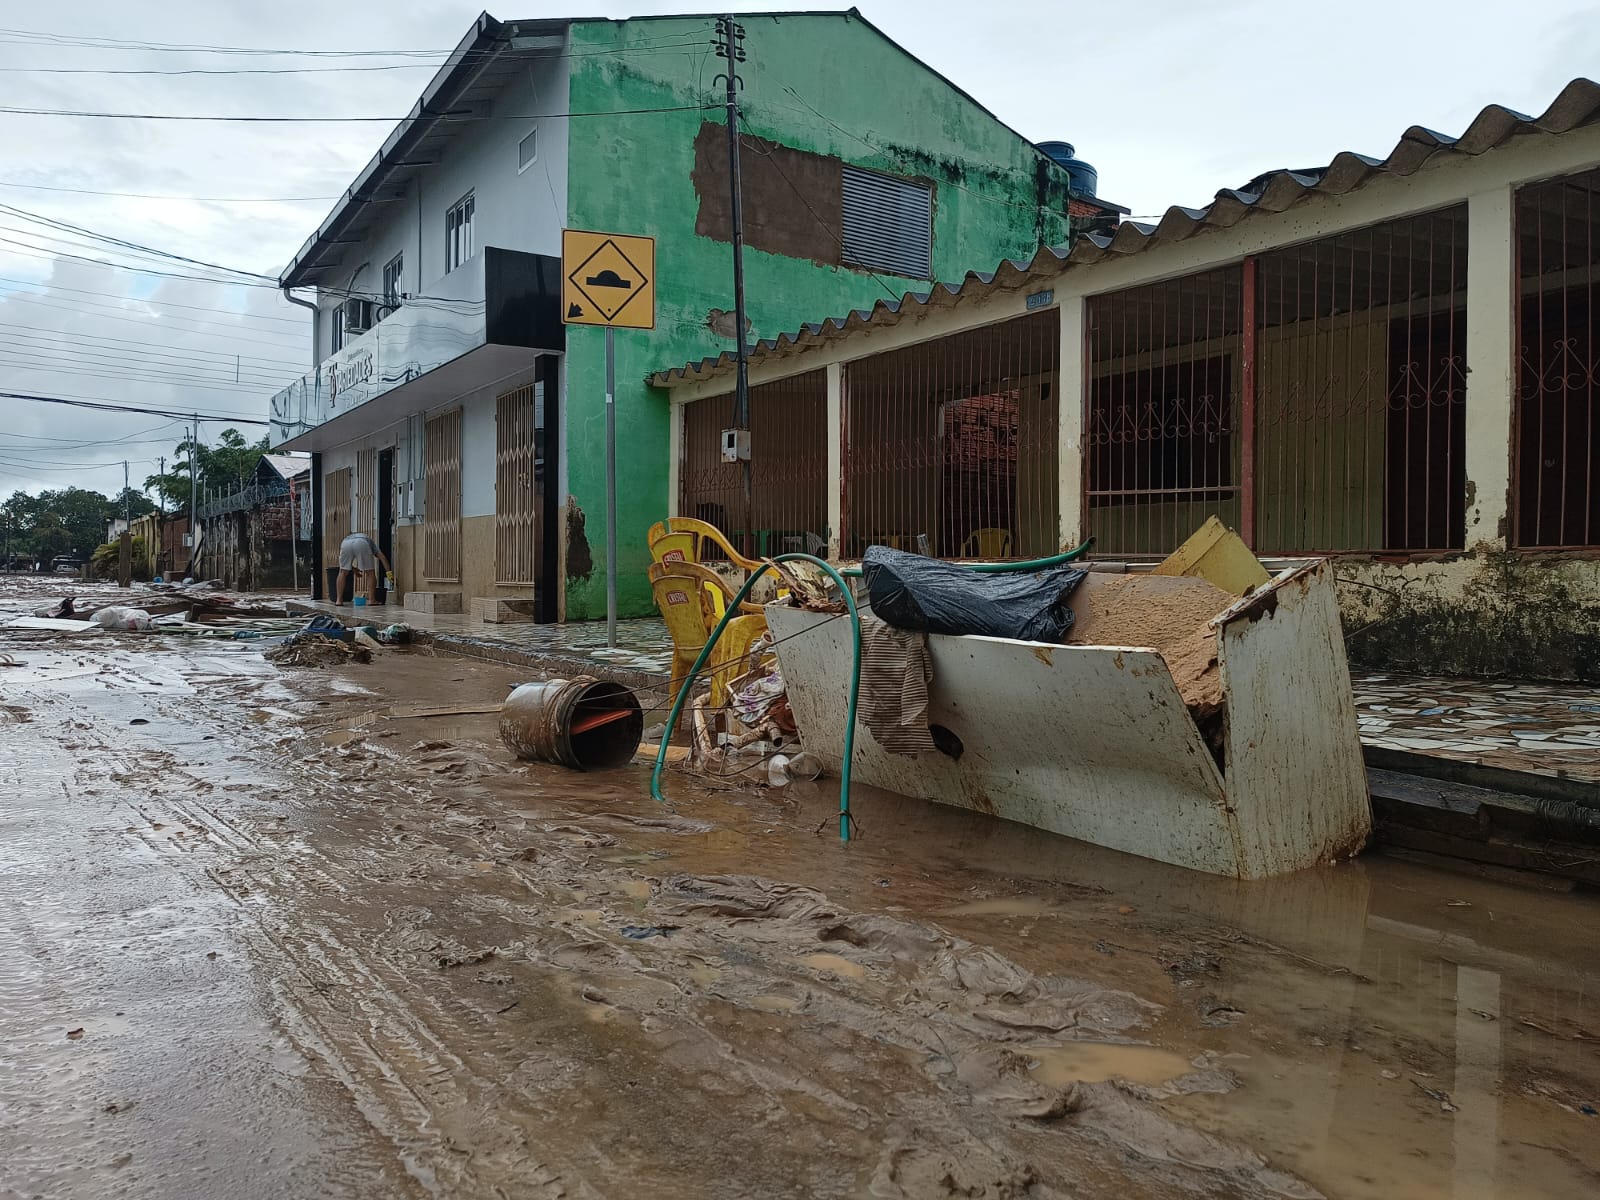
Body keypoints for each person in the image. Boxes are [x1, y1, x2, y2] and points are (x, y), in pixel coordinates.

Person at [335, 531, 393, 606]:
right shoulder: (372, 544)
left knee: (342, 572)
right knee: (370, 573)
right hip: (362, 542)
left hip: (345, 543)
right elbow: (382, 557)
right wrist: (389, 574)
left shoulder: (350, 538)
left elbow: (344, 565)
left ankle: (339, 600)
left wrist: (354, 570)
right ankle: (372, 600)